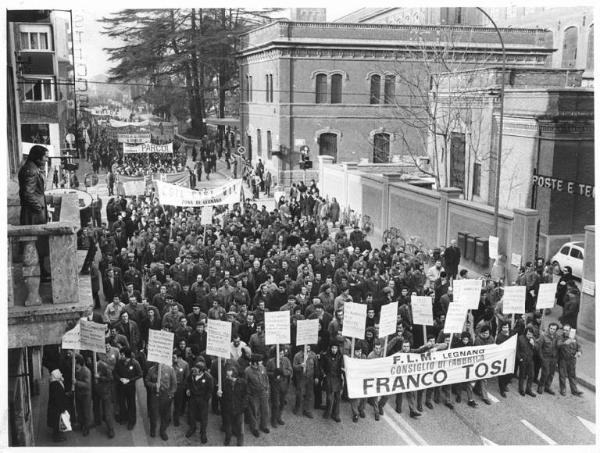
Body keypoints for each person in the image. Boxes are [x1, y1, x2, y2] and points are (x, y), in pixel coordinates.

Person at [18, 144, 51, 280]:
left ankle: (41, 270)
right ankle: (38, 273)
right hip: (33, 214)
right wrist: (40, 208)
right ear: (37, 157)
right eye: (45, 157)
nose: (46, 160)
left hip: (34, 212)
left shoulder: (32, 167)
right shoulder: (31, 171)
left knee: (39, 244)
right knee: (36, 244)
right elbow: (27, 194)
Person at [144, 362, 178, 440]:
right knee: (153, 414)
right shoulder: (151, 370)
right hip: (154, 395)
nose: (158, 363)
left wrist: (171, 394)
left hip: (165, 395)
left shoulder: (170, 369)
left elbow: (174, 383)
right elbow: (147, 381)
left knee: (165, 415)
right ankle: (153, 430)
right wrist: (154, 385)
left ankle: (163, 431)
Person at [114, 346, 143, 430]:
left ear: (126, 355)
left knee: (131, 404)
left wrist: (130, 380)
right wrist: (120, 378)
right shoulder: (119, 362)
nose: (120, 356)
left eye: (122, 354)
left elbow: (140, 374)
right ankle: (124, 417)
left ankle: (132, 421)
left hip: (130, 387)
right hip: (121, 386)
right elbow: (115, 372)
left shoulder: (135, 363)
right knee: (122, 403)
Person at [218, 366, 248, 446]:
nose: (227, 377)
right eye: (227, 375)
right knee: (228, 425)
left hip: (239, 408)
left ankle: (240, 439)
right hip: (228, 408)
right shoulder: (224, 383)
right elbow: (222, 398)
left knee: (239, 425)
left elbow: (246, 395)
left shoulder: (242, 383)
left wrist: (243, 406)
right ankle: (228, 438)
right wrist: (219, 395)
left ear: (234, 375)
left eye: (229, 376)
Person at [186, 362, 213, 443]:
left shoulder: (208, 378)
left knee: (203, 417)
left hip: (203, 400)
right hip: (193, 398)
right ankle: (192, 428)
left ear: (202, 371)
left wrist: (205, 400)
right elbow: (187, 382)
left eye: (196, 370)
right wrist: (188, 389)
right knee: (191, 414)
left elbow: (210, 390)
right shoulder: (192, 374)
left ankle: (203, 433)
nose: (194, 371)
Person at [244, 353, 271, 437]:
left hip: (263, 393)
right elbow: (246, 383)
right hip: (254, 395)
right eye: (260, 361)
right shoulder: (247, 371)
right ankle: (254, 428)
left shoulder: (262, 368)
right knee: (254, 412)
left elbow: (266, 378)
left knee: (265, 411)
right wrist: (249, 394)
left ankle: (264, 426)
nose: (261, 362)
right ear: (255, 363)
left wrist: (267, 389)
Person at [557, 324, 583, 397]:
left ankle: (574, 390)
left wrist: (579, 352)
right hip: (563, 360)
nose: (565, 331)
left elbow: (579, 346)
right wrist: (565, 343)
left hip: (572, 360)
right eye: (564, 330)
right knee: (562, 375)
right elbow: (558, 345)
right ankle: (563, 389)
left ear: (570, 330)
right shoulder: (561, 337)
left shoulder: (574, 337)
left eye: (567, 330)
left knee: (572, 375)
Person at [321, 340, 343, 422]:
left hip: (337, 378)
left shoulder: (340, 357)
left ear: (338, 349)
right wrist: (323, 374)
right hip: (329, 378)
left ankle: (335, 414)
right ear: (330, 348)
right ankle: (328, 411)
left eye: (335, 348)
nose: (334, 349)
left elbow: (342, 367)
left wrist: (342, 374)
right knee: (329, 398)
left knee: (337, 398)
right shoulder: (326, 356)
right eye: (332, 348)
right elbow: (321, 366)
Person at [536, 322, 559, 395]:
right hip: (546, 357)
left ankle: (547, 387)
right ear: (549, 328)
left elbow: (558, 346)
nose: (552, 330)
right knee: (545, 373)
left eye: (554, 329)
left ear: (556, 330)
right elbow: (539, 347)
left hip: (553, 358)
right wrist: (541, 357)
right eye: (551, 328)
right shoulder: (543, 336)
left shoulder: (557, 336)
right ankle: (541, 386)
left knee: (551, 373)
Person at [47, 369, 69, 442]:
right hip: (56, 408)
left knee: (56, 422)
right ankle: (57, 438)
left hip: (55, 407)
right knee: (57, 422)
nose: (61, 375)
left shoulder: (55, 382)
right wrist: (62, 408)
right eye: (59, 374)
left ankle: (56, 435)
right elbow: (57, 397)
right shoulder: (55, 384)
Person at [74, 354, 93, 436]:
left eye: (75, 362)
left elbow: (87, 385)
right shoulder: (75, 370)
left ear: (79, 363)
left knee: (86, 412)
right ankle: (81, 424)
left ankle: (87, 427)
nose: (74, 364)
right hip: (79, 394)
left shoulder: (86, 371)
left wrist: (76, 383)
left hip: (85, 395)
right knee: (79, 410)